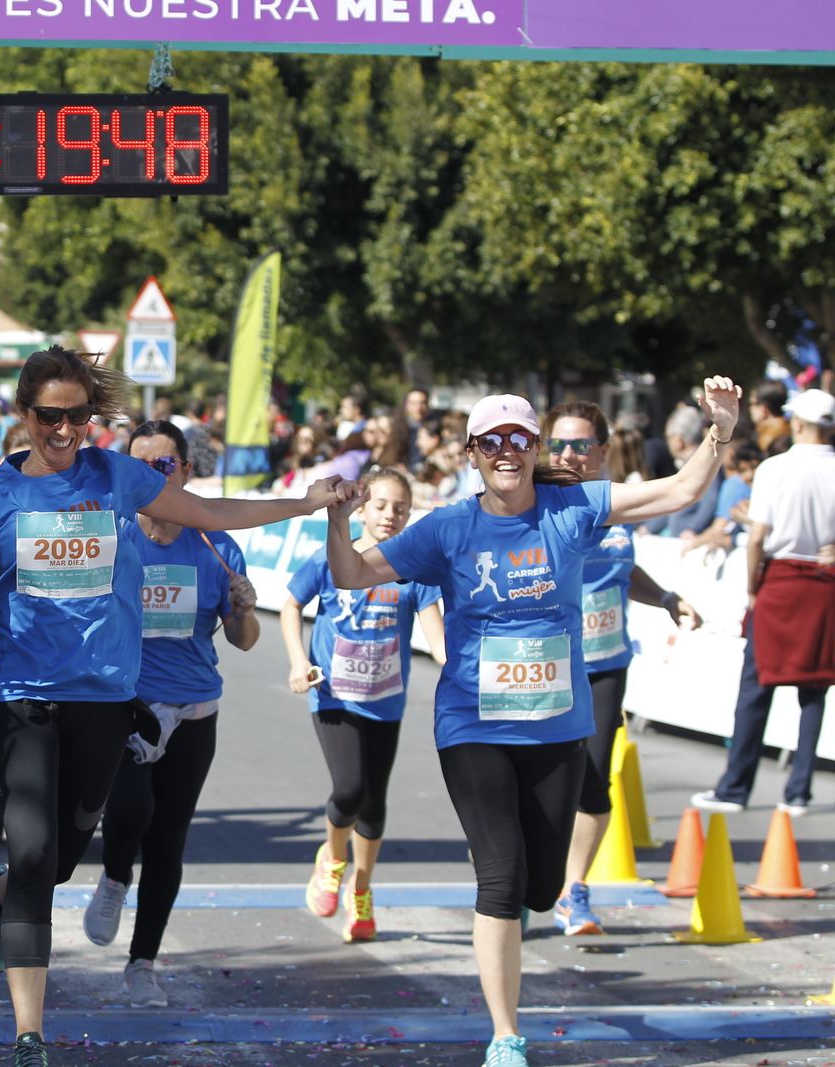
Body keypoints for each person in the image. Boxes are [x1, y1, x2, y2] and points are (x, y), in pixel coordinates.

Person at [0, 346, 347, 1067]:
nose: (62, 428)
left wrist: (304, 500)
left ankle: (3, 892)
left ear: (90, 416)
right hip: (18, 694)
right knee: (31, 848)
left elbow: (209, 510)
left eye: (76, 414)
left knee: (57, 859)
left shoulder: (117, 475)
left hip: (106, 697)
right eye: (48, 415)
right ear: (24, 414)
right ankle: (29, 1037)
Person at [323, 380, 740, 1067]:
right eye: (493, 442)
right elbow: (349, 574)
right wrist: (340, 518)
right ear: (474, 454)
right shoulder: (449, 526)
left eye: (519, 439)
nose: (508, 452)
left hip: (555, 728)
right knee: (502, 876)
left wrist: (721, 430)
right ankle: (505, 1035)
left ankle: (515, 885)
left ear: (535, 448)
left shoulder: (572, 505)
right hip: (473, 724)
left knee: (540, 889)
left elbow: (677, 492)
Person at [81, 421, 260, 1007]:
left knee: (168, 840)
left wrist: (243, 608)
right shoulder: (115, 534)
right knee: (132, 808)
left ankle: (142, 963)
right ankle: (113, 876)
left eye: (165, 466)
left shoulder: (214, 544)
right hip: (127, 705)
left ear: (185, 471)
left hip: (194, 710)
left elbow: (244, 639)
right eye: (140, 466)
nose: (153, 477)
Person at [541, 402, 703, 937]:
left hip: (606, 664)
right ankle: (516, 879)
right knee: (531, 785)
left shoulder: (614, 507)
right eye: (559, 445)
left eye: (581, 445)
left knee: (592, 783)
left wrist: (666, 597)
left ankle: (573, 891)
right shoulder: (534, 505)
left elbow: (622, 568)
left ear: (603, 452)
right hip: (544, 672)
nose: (568, 455)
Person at [281, 467, 446, 942]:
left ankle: (363, 888)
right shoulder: (334, 556)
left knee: (373, 805)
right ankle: (333, 860)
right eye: (380, 505)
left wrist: (460, 663)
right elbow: (292, 604)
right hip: (333, 693)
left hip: (386, 700)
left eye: (400, 507)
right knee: (349, 789)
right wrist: (297, 661)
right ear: (362, 508)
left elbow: (437, 639)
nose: (390, 515)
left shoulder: (414, 570)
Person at [693, 387, 835, 818]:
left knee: (755, 686)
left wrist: (754, 584)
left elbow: (757, 537)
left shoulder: (777, 468)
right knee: (815, 687)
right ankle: (798, 791)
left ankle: (735, 787)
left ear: (797, 424)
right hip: (823, 582)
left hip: (780, 580)